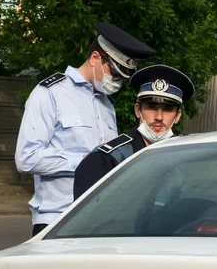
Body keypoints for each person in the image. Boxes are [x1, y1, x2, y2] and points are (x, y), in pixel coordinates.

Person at [15, 22, 155, 236]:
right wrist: (85, 163)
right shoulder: (50, 93)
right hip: (57, 219)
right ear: (95, 58)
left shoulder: (106, 105)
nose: (116, 82)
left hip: (97, 219)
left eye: (121, 79)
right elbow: (26, 157)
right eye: (114, 74)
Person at [73, 64, 195, 200]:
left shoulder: (179, 159)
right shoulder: (107, 160)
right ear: (138, 110)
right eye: (151, 107)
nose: (159, 117)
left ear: (177, 116)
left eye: (167, 109)